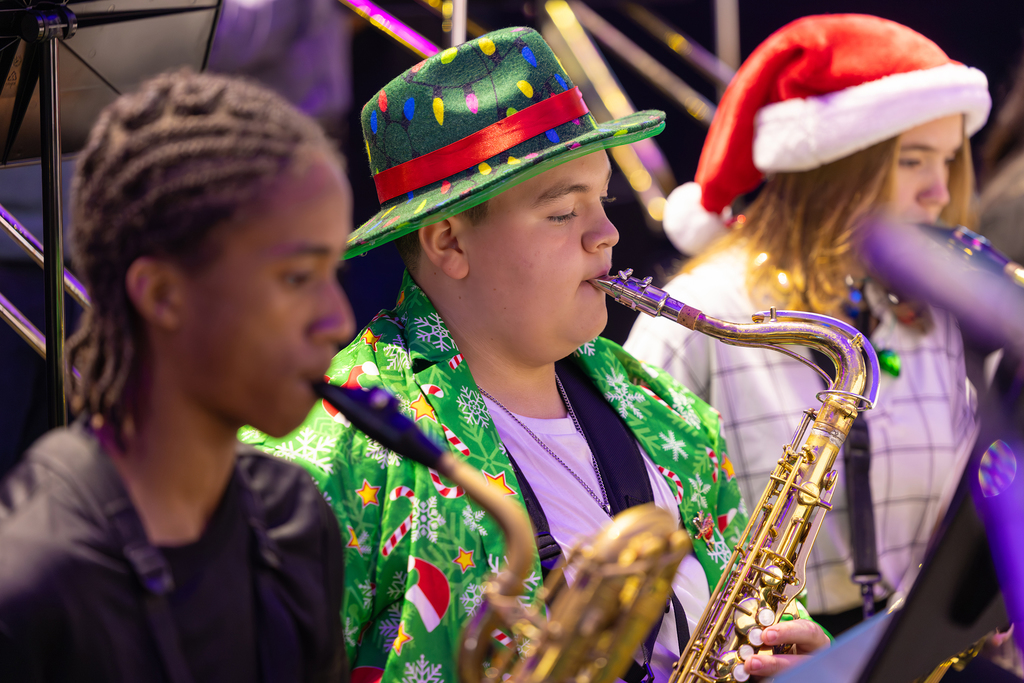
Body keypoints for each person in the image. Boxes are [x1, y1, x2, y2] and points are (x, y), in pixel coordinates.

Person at [243, 27, 828, 683]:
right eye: (562, 212)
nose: (607, 233)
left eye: (602, 199)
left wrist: (800, 660)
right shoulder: (332, 455)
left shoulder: (671, 413)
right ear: (448, 242)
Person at [625, 15, 989, 636]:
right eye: (913, 160)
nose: (938, 191)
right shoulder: (701, 310)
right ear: (833, 165)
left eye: (948, 160)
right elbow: (635, 528)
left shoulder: (932, 311)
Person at [0, 70, 353, 682]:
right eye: (298, 278)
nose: (339, 321)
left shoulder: (295, 517)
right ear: (162, 294)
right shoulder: (30, 578)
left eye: (335, 274)